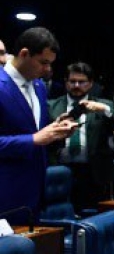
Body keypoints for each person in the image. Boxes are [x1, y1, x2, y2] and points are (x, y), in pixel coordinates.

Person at [0, 27, 76, 221]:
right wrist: (33, 139)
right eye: (43, 62)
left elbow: (35, 130)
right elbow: (35, 137)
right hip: (5, 191)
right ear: (24, 54)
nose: (48, 69)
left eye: (50, 63)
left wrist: (56, 128)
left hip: (35, 192)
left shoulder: (39, 86)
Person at [48, 62, 114, 213]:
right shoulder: (52, 106)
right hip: (60, 170)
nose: (76, 85)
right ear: (66, 82)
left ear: (90, 83)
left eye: (81, 82)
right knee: (60, 214)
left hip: (93, 172)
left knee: (92, 215)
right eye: (72, 81)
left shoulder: (103, 105)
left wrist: (104, 109)